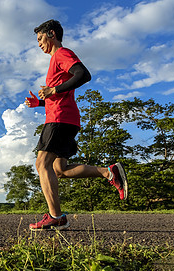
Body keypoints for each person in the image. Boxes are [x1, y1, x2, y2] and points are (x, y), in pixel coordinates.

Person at [24, 19, 128, 230]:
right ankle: (108, 172)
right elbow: (63, 91)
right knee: (59, 169)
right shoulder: (56, 60)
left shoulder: (61, 54)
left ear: (51, 34)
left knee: (42, 164)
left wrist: (53, 90)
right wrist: (40, 102)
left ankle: (56, 217)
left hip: (59, 120)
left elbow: (83, 75)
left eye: (40, 38)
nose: (38, 44)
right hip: (66, 119)